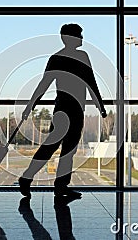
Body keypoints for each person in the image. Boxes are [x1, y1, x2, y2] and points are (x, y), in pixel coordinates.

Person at [19, 23, 107, 198]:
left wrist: (30, 105)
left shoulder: (56, 58)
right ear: (71, 38)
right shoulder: (81, 56)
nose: (82, 38)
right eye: (79, 35)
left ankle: (46, 183)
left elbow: (44, 84)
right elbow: (91, 82)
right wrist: (100, 105)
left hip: (63, 108)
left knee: (60, 147)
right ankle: (46, 183)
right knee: (64, 148)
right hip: (72, 109)